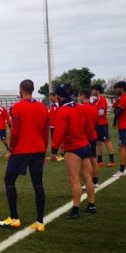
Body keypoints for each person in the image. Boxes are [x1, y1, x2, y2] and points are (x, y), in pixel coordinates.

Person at [0, 80, 49, 232]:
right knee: (38, 183)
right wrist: (44, 151)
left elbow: (15, 132)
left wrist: (11, 149)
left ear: (21, 89)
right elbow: (45, 133)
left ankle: (14, 218)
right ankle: (40, 221)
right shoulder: (42, 107)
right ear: (33, 90)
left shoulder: (18, 107)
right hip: (38, 149)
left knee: (9, 180)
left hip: (22, 150)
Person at [50, 84, 96, 219]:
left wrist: (54, 150)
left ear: (58, 96)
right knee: (87, 177)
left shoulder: (62, 111)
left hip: (73, 148)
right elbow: (89, 127)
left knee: (74, 179)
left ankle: (75, 209)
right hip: (85, 145)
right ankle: (91, 205)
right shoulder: (80, 107)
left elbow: (58, 133)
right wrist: (91, 139)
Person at [79, 90, 101, 189]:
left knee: (87, 160)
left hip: (86, 137)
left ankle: (90, 182)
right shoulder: (94, 107)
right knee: (93, 158)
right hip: (93, 135)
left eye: (79, 96)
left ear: (83, 96)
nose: (79, 98)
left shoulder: (83, 108)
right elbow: (96, 122)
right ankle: (95, 181)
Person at [91, 84, 115, 167]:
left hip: (102, 123)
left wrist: (92, 114)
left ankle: (112, 160)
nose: (92, 91)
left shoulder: (102, 99)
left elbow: (101, 113)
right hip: (96, 124)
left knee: (106, 141)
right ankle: (99, 161)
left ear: (97, 90)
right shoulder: (96, 100)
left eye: (93, 90)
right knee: (98, 142)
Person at [48, 92, 64, 161]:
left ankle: (62, 154)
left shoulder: (59, 105)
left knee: (60, 140)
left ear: (55, 97)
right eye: (49, 97)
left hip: (57, 126)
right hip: (52, 126)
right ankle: (54, 154)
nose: (50, 99)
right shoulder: (51, 105)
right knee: (53, 140)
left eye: (51, 97)